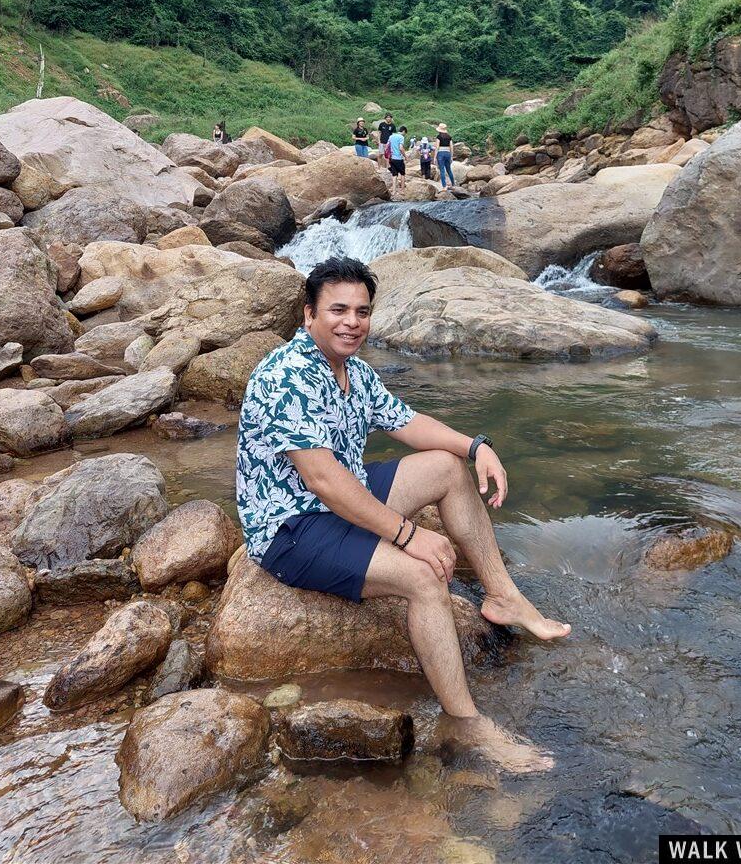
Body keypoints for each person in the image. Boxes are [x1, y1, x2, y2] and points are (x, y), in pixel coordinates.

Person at [236, 256, 570, 773]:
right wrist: (407, 534)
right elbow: (322, 481)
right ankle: (468, 724)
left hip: (343, 495)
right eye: (338, 310)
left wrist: (475, 445)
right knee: (423, 576)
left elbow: (408, 423)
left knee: (445, 467)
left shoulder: (354, 370)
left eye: (362, 311)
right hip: (291, 527)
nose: (352, 322)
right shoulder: (287, 376)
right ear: (309, 315)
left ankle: (503, 597)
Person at [388, 124, 407, 196]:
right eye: (405, 133)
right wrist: (405, 156)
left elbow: (387, 146)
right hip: (398, 158)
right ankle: (402, 190)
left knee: (394, 174)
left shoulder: (391, 136)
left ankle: (394, 191)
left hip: (391, 158)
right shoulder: (401, 137)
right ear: (404, 131)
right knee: (402, 174)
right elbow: (401, 148)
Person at [435, 122, 455, 188]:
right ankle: (453, 185)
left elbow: (437, 147)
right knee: (449, 169)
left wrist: (435, 157)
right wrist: (451, 156)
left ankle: (444, 186)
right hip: (448, 153)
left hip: (440, 153)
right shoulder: (449, 137)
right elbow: (451, 147)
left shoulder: (438, 137)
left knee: (442, 170)